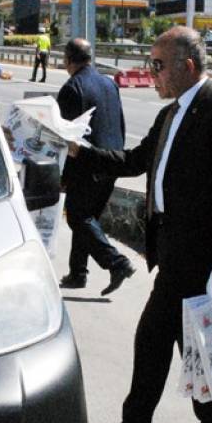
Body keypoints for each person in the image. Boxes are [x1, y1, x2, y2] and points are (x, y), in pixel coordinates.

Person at [69, 26, 212, 423]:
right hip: (172, 247)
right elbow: (135, 161)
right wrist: (81, 151)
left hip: (200, 252)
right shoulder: (170, 114)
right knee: (191, 342)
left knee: (156, 337)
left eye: (158, 65)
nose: (151, 73)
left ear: (187, 67)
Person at [55, 38, 136, 295]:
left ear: (68, 60)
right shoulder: (109, 84)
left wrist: (62, 176)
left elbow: (67, 138)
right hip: (111, 161)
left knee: (78, 216)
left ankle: (117, 262)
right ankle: (78, 273)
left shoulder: (72, 88)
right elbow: (120, 123)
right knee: (88, 218)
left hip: (86, 165)